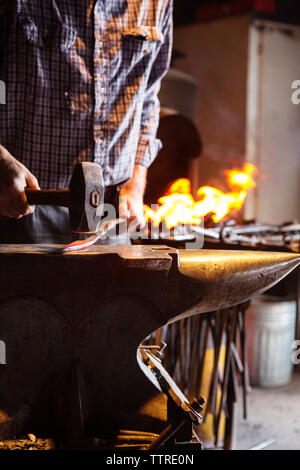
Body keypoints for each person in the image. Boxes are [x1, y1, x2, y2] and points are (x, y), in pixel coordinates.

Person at [0, 0, 173, 244]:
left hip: (112, 216)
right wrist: (1, 161)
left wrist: (134, 186)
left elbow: (147, 97)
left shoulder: (156, 3)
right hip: (21, 207)